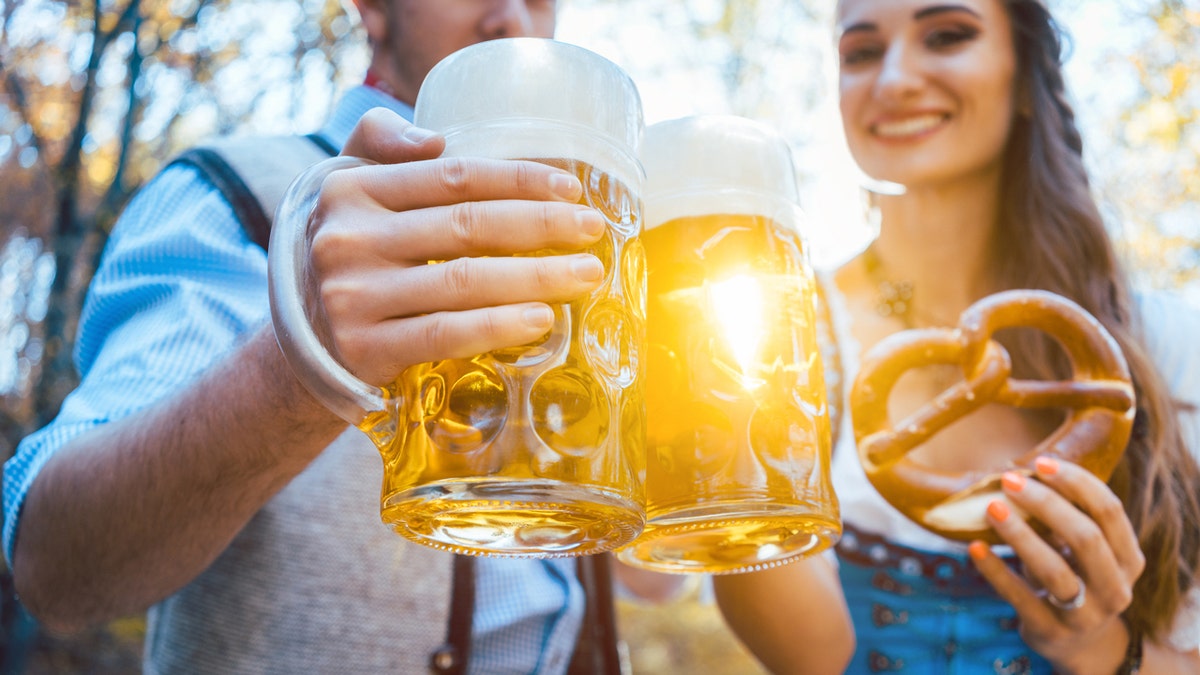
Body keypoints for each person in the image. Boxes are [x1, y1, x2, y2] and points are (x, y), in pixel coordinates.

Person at [2, 1, 652, 672]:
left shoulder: (602, 236)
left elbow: (654, 577)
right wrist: (296, 368)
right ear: (372, 8)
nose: (512, 18)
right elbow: (54, 565)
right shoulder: (233, 192)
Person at [714, 0, 1200, 673]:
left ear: (1025, 75)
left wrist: (1105, 650)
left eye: (946, 36)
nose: (893, 80)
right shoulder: (777, 327)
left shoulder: (1159, 344)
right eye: (860, 52)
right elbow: (813, 658)